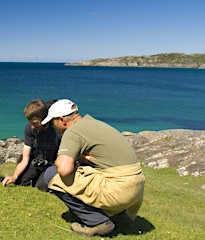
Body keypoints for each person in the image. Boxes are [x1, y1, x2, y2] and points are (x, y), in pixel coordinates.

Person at [41, 99, 145, 236]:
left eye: (53, 123)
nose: (53, 127)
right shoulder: (94, 123)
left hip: (118, 190)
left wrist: (61, 158)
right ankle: (118, 216)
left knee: (51, 174)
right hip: (136, 189)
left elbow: (64, 169)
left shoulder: (72, 131)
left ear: (62, 120)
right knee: (82, 166)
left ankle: (98, 222)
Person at [2, 99, 61, 191]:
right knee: (22, 182)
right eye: (30, 123)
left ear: (45, 119)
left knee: (41, 186)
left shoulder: (57, 129)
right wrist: (14, 176)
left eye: (35, 123)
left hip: (53, 163)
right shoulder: (30, 128)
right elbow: (25, 156)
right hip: (37, 161)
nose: (32, 126)